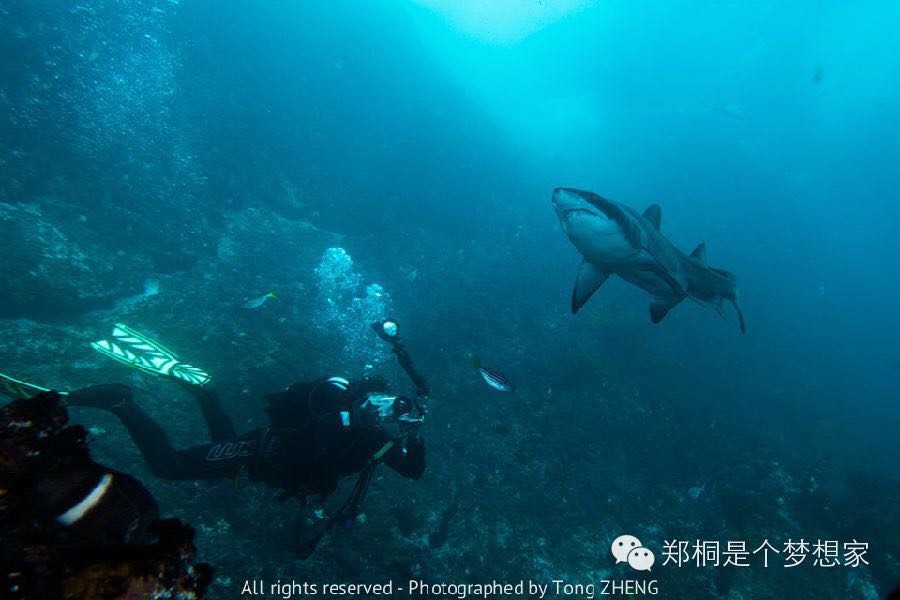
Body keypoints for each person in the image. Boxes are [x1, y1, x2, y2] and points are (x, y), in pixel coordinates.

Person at [2, 319, 428, 557]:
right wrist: (350, 410)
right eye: (386, 403)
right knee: (168, 467)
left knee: (223, 445)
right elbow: (315, 412)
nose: (385, 412)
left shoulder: (376, 440)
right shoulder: (338, 404)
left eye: (395, 412)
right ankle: (120, 403)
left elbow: (413, 470)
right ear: (374, 394)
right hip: (260, 451)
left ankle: (205, 393)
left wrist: (414, 433)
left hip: (260, 464)